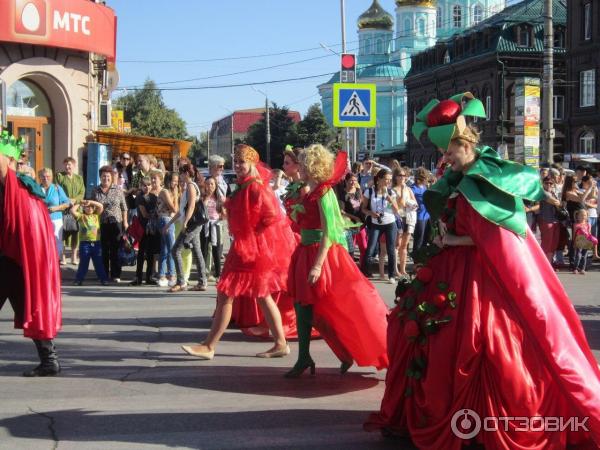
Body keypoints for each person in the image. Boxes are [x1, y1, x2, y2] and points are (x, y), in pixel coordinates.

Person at [365, 93, 600, 448]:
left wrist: (450, 242)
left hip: (477, 276)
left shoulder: (480, 181)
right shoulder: (470, 176)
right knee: (440, 338)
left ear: (463, 144)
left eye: (448, 153)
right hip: (456, 271)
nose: (445, 160)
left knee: (478, 343)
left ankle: (476, 422)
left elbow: (488, 238)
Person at [181, 144, 295, 360]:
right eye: (236, 161)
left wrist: (251, 239)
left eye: (242, 161)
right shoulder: (246, 186)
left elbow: (271, 218)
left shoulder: (256, 188)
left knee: (227, 295)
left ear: (253, 162)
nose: (238, 165)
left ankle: (209, 346)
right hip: (246, 249)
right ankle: (280, 342)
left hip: (249, 251)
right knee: (261, 296)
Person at [285, 144, 389, 378]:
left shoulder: (323, 193)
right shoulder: (309, 191)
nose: (299, 167)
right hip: (305, 251)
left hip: (320, 254)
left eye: (302, 163)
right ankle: (306, 356)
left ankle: (340, 352)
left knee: (335, 306)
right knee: (304, 307)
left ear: (312, 166)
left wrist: (318, 264)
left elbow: (329, 232)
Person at [0, 131, 62, 376]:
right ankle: (49, 360)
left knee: (32, 306)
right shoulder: (14, 188)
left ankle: (49, 360)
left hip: (16, 259)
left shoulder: (19, 188)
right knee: (29, 306)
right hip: (12, 258)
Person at [163, 164, 207, 292]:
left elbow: (192, 206)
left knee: (175, 250)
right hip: (193, 224)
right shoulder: (188, 187)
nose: (180, 176)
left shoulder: (191, 186)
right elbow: (181, 211)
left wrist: (185, 223)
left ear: (187, 173)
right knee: (197, 251)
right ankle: (202, 282)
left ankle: (181, 282)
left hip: (191, 224)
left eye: (181, 173)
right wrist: (169, 224)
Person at [361, 169, 399, 283]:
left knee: (391, 249)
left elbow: (397, 210)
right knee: (370, 249)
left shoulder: (391, 192)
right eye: (386, 179)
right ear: (379, 179)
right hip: (376, 223)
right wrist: (370, 213)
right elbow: (363, 208)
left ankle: (391, 275)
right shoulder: (370, 192)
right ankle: (364, 273)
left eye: (389, 179)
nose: (388, 181)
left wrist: (390, 199)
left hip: (390, 223)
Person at [92, 165, 128, 283]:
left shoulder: (118, 190)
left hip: (116, 223)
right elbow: (92, 208)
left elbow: (124, 207)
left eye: (108, 176)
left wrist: (126, 222)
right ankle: (104, 275)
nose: (105, 178)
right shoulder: (95, 190)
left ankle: (116, 274)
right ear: (100, 177)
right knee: (103, 249)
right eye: (103, 176)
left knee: (116, 249)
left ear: (112, 177)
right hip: (101, 223)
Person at [70, 200, 109, 286]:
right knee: (83, 263)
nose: (90, 208)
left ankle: (103, 279)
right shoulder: (81, 216)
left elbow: (101, 206)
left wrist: (90, 202)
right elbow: (72, 211)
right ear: (84, 208)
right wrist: (81, 203)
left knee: (99, 263)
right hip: (85, 244)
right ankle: (79, 280)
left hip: (96, 243)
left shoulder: (96, 216)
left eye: (91, 207)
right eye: (87, 207)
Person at [130, 177, 159, 286]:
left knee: (151, 253)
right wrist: (155, 214)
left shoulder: (154, 197)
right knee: (141, 253)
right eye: (144, 185)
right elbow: (144, 214)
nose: (147, 187)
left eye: (149, 185)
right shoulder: (140, 197)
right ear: (141, 186)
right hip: (142, 228)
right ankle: (138, 277)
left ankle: (149, 277)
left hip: (151, 228)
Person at [56, 157, 85, 265]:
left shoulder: (79, 178)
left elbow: (82, 192)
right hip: (64, 208)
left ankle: (74, 257)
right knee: (62, 232)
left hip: (76, 208)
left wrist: (75, 201)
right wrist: (67, 201)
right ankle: (62, 256)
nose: (68, 166)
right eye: (66, 164)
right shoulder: (60, 176)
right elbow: (57, 190)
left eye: (70, 164)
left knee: (75, 232)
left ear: (74, 165)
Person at [39, 168, 71, 261]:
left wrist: (56, 208)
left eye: (48, 176)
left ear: (52, 177)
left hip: (56, 219)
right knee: (42, 240)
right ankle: (44, 260)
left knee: (57, 241)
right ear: (39, 177)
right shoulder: (36, 188)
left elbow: (67, 203)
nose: (45, 178)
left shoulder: (57, 188)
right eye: (43, 176)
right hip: (41, 219)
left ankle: (55, 261)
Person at [391, 167, 417, 278]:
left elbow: (415, 203)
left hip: (409, 218)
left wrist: (412, 204)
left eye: (404, 175)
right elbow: (400, 203)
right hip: (398, 218)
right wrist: (402, 190)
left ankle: (403, 269)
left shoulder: (409, 189)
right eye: (400, 175)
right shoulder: (393, 189)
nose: (402, 178)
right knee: (397, 244)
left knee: (405, 245)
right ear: (395, 177)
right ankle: (395, 269)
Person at [338, 172, 367, 266]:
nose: (353, 182)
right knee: (351, 248)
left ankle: (363, 268)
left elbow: (363, 205)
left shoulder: (359, 191)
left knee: (364, 247)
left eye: (354, 180)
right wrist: (355, 218)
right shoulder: (343, 194)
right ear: (346, 181)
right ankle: (351, 268)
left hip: (361, 224)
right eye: (351, 180)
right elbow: (341, 211)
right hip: (349, 225)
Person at [200, 176, 225, 281]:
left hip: (216, 224)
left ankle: (218, 274)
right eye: (208, 184)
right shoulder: (202, 197)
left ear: (215, 186)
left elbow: (224, 213)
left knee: (216, 250)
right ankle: (204, 273)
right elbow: (200, 209)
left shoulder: (220, 198)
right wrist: (206, 197)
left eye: (212, 184)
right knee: (204, 250)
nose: (210, 186)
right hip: (205, 225)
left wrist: (221, 216)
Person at [156, 172, 178, 287]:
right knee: (171, 249)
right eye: (174, 181)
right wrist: (175, 194)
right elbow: (174, 208)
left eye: (176, 181)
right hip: (166, 220)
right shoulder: (165, 191)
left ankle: (162, 275)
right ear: (168, 181)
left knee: (165, 249)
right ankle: (171, 275)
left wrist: (175, 194)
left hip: (169, 220)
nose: (175, 183)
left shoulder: (171, 192)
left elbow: (176, 210)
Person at [538, 176, 562, 264]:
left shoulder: (553, 192)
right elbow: (556, 202)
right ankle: (543, 264)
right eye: (546, 183)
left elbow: (559, 203)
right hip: (546, 220)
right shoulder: (542, 192)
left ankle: (549, 263)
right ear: (543, 184)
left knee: (553, 245)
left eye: (551, 183)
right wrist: (558, 202)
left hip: (555, 220)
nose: (549, 184)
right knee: (546, 244)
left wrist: (558, 202)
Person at [410, 168, 430, 256]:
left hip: (427, 215)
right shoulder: (413, 188)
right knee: (419, 238)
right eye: (425, 179)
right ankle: (416, 258)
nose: (426, 181)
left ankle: (422, 257)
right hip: (419, 216)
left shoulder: (425, 187)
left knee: (426, 238)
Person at [573, 209, 597, 274]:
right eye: (581, 215)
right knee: (578, 256)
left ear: (587, 216)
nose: (583, 216)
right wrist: (574, 243)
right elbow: (574, 235)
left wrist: (592, 241)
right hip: (579, 243)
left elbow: (589, 234)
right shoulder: (576, 225)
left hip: (586, 243)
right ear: (578, 216)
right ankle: (575, 268)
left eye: (584, 215)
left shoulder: (588, 224)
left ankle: (582, 269)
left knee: (584, 256)